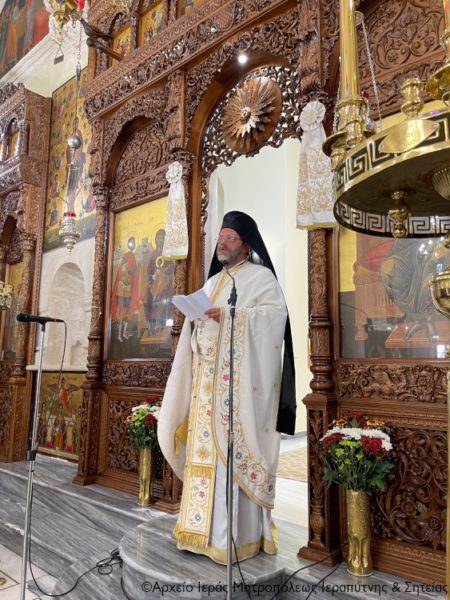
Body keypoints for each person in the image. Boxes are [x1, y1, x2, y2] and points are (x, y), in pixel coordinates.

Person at [158, 211, 296, 565]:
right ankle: (197, 532)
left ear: (246, 245)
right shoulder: (213, 283)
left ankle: (233, 539)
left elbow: (275, 320)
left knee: (228, 462)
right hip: (205, 389)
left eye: (229, 238)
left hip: (237, 394)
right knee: (204, 460)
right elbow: (200, 328)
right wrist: (195, 325)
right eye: (220, 238)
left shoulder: (261, 278)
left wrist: (233, 317)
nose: (222, 243)